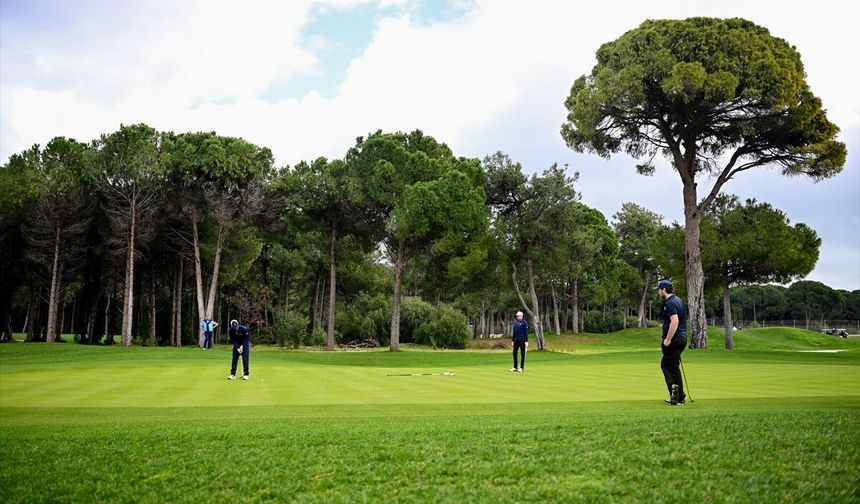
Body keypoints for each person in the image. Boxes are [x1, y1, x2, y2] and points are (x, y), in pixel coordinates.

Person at [658, 279, 687, 405]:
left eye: (659, 289)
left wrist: (668, 339)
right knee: (672, 366)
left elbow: (674, 321)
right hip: (682, 338)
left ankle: (676, 392)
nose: (658, 292)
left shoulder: (669, 303)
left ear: (664, 289)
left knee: (667, 366)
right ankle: (678, 395)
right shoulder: (679, 300)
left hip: (674, 338)